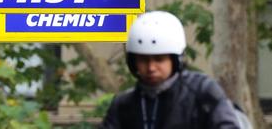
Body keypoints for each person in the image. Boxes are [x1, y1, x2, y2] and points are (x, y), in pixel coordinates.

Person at [101, 10, 245, 129]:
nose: (151, 67)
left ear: (176, 59)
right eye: (144, 60)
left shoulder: (202, 92)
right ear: (133, 62)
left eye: (159, 59)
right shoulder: (124, 104)